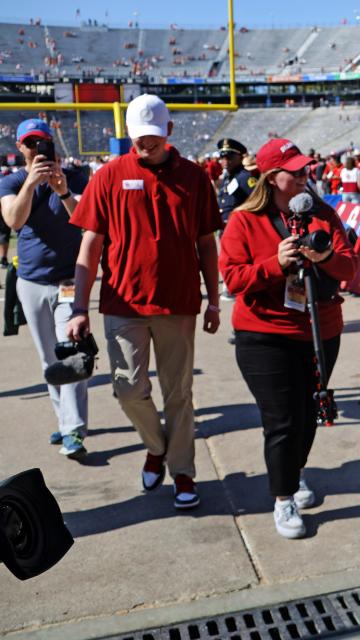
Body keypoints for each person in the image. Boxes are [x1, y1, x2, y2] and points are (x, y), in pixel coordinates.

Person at [65, 94, 223, 510]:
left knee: (179, 393)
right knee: (128, 389)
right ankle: (158, 447)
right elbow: (89, 247)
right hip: (123, 303)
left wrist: (214, 300)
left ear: (169, 132)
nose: (146, 145)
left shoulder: (194, 177)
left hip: (179, 302)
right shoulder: (109, 175)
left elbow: (207, 244)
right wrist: (79, 307)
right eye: (138, 138)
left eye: (152, 137)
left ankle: (183, 470)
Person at [219, 138, 358, 538]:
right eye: (293, 171)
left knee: (311, 412)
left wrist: (323, 257)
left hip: (319, 331)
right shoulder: (245, 221)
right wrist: (274, 264)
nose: (302, 177)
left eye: (304, 170)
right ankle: (283, 498)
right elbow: (233, 279)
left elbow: (348, 266)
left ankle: (293, 475)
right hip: (264, 336)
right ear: (270, 177)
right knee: (282, 420)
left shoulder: (322, 214)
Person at [0, 119, 89, 458]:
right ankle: (64, 419)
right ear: (20, 148)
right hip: (32, 282)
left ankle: (73, 429)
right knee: (48, 357)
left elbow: (85, 218)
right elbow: (14, 221)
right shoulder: (12, 180)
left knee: (73, 354)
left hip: (69, 279)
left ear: (52, 144)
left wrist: (62, 190)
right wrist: (32, 184)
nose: (37, 150)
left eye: (42, 143)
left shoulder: (75, 177)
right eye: (30, 143)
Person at [216, 137, 255, 226]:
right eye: (222, 157)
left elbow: (255, 204)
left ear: (240, 157)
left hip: (242, 226)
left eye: (229, 157)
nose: (225, 161)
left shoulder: (246, 177)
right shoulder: (227, 177)